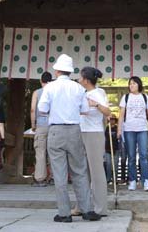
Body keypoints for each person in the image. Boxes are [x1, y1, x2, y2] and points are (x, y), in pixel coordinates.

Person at [36, 53, 100, 223]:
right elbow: (85, 110)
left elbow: (42, 109)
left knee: (59, 173)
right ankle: (87, 210)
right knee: (80, 170)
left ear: (57, 71)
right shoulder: (78, 88)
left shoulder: (50, 87)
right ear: (70, 71)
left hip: (56, 131)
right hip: (74, 131)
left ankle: (64, 213)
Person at [79, 66, 112, 217]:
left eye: (81, 77)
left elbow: (108, 112)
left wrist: (96, 105)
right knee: (82, 171)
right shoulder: (84, 93)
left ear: (86, 80)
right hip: (83, 132)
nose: (79, 79)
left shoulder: (97, 93)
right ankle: (82, 206)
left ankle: (100, 208)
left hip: (94, 134)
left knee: (96, 171)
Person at [118, 75, 148, 192]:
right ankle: (132, 180)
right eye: (130, 83)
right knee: (131, 156)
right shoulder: (125, 97)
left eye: (134, 83)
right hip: (129, 129)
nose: (131, 85)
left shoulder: (145, 97)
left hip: (142, 129)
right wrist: (119, 129)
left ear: (139, 85)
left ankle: (146, 180)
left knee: (144, 155)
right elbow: (121, 115)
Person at [30, 71, 53, 186]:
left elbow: (33, 110)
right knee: (54, 152)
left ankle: (40, 178)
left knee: (40, 152)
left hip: (41, 124)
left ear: (41, 81)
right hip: (54, 125)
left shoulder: (37, 93)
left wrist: (33, 124)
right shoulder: (54, 92)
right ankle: (54, 177)